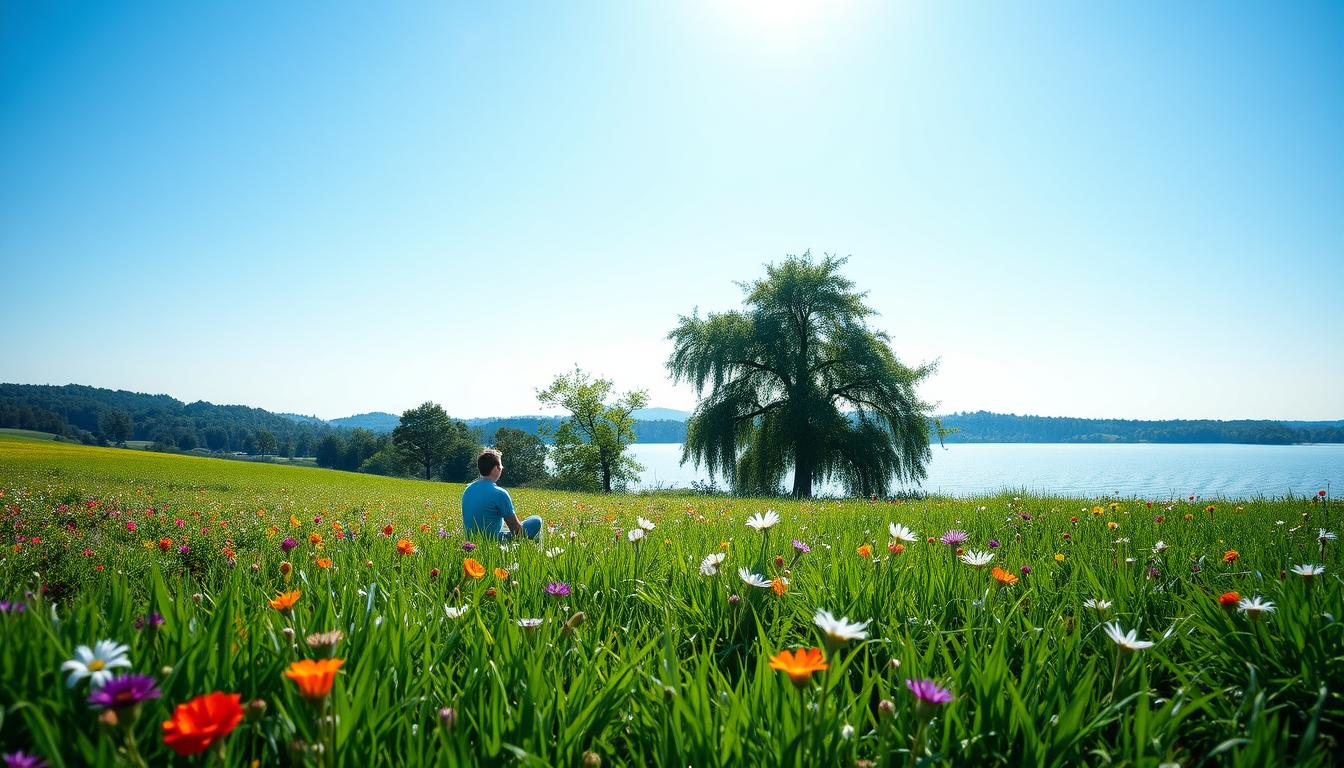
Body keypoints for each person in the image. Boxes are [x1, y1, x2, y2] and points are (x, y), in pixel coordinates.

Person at [461, 448, 543, 541]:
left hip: (470, 542)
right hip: (493, 543)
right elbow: (516, 530)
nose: (502, 468)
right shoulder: (499, 493)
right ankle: (535, 550)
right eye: (500, 465)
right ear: (496, 468)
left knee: (505, 526)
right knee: (536, 520)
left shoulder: (468, 489)